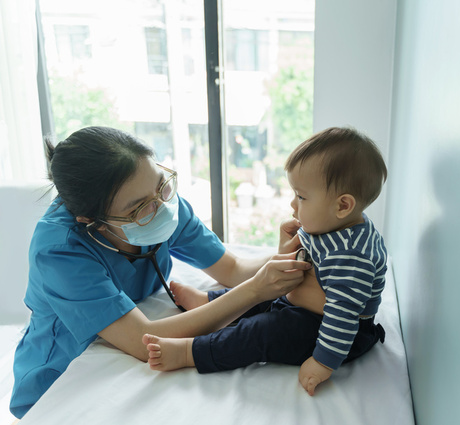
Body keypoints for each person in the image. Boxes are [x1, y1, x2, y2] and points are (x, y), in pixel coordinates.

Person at [10, 126, 310, 419]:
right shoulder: (59, 250)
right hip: (62, 373)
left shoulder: (160, 202)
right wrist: (256, 290)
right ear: (93, 221)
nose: (162, 206)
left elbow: (232, 268)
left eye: (161, 185)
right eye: (140, 208)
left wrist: (294, 251)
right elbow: (143, 338)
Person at [142, 127, 389, 396]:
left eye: (302, 197)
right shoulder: (329, 224)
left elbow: (343, 317)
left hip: (322, 328)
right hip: (295, 304)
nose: (293, 205)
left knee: (260, 332)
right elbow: (298, 263)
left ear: (343, 206)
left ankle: (192, 353)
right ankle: (210, 302)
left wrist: (322, 362)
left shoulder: (353, 257)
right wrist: (286, 248)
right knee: (259, 292)